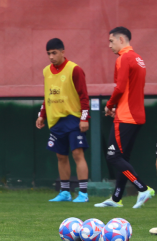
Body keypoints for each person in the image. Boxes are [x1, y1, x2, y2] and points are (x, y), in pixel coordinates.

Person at [95, 26, 155, 208]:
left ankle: (143, 189)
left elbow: (120, 88)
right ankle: (116, 198)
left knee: (113, 157)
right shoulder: (138, 58)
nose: (109, 45)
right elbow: (129, 89)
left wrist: (110, 105)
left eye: (111, 41)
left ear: (122, 40)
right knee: (123, 159)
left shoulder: (124, 58)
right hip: (137, 115)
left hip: (126, 116)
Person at [36, 38, 90, 203]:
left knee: (77, 153)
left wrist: (84, 118)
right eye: (48, 54)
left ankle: (83, 193)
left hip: (73, 118)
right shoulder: (46, 71)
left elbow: (84, 96)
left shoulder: (74, 69)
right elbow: (48, 95)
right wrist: (42, 114)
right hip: (56, 121)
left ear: (62, 52)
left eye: (54, 53)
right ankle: (65, 192)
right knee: (60, 156)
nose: (51, 56)